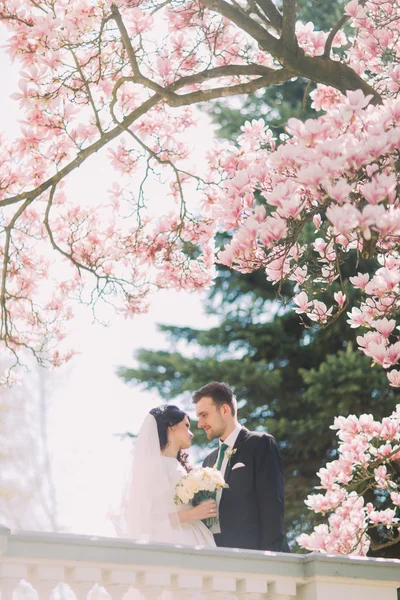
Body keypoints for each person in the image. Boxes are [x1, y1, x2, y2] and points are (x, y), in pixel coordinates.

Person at [193, 382, 290, 552]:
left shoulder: (260, 443)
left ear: (224, 410)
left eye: (204, 415)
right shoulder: (208, 461)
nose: (200, 424)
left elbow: (272, 508)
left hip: (254, 556)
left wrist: (271, 560)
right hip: (216, 557)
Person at [112, 404, 216, 547]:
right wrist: (192, 514)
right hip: (171, 540)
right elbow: (145, 520)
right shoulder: (153, 466)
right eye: (186, 426)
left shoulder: (178, 466)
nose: (191, 433)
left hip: (195, 536)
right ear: (172, 425)